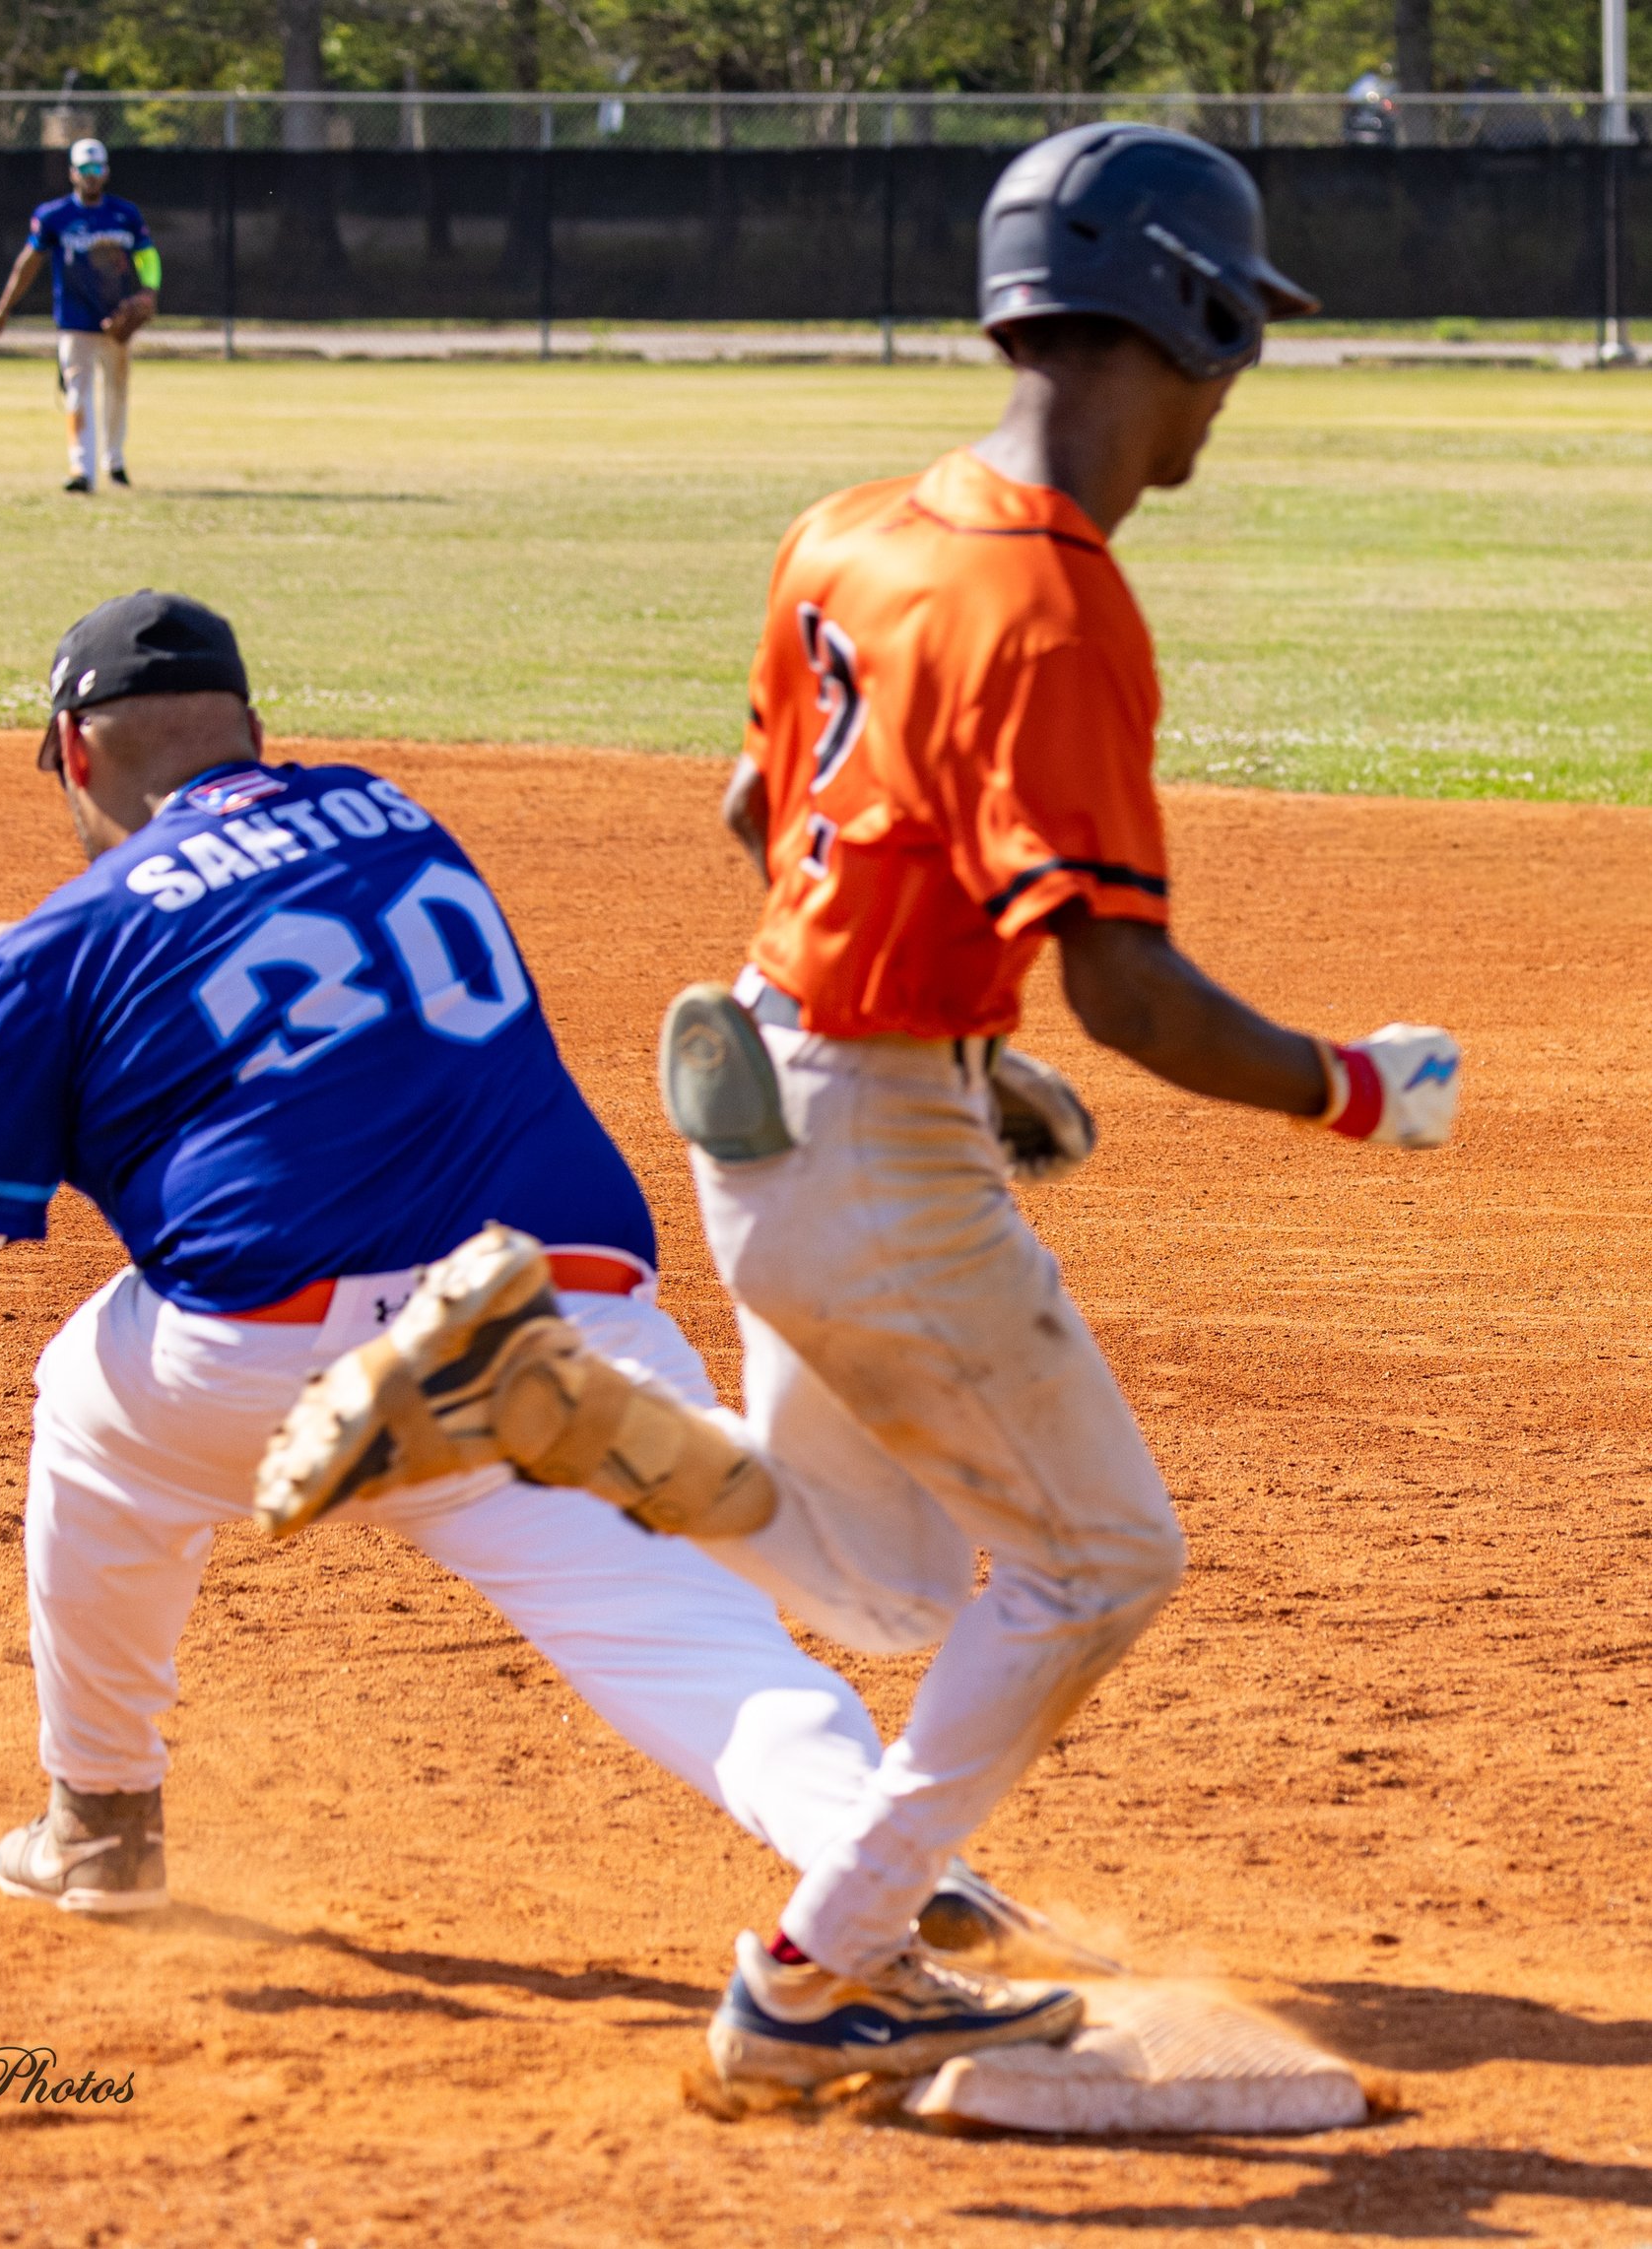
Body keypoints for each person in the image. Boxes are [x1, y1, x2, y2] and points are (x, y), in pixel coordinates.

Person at [0, 589, 1097, 2079]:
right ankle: (874, 1860)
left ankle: (100, 1824)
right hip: (557, 1318)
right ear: (253, 736)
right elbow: (271, 959)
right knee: (703, 1644)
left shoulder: (68, 950)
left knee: (83, 1398)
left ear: (75, 757)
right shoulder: (393, 817)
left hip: (277, 1364)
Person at [260, 124, 1465, 2099]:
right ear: (1180, 307)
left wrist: (958, 1039)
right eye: (1237, 328)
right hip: (876, 1147)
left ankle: (547, 1402)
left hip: (790, 1097)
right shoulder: (1055, 603)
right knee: (1097, 1564)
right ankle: (825, 1965)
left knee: (889, 1580)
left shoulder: (854, 529)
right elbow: (1131, 985)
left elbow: (769, 816)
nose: (1237, 374)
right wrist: (1353, 1092)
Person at [0, 138, 157, 494]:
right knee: (77, 394)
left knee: (118, 392)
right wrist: (4, 308)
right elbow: (28, 264)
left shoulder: (125, 214)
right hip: (75, 321)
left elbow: (147, 256)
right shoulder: (54, 216)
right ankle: (81, 470)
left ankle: (115, 461)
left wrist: (150, 291)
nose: (91, 176)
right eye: (84, 170)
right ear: (72, 173)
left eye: (97, 169)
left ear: (106, 172)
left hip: (116, 319)